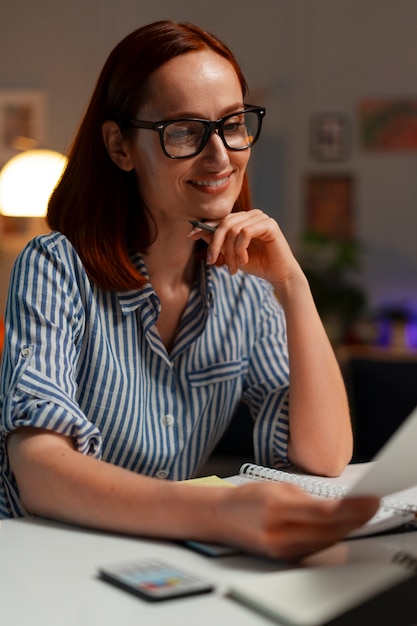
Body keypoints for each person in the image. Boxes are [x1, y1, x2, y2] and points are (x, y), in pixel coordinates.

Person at [0, 20, 378, 560]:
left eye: (232, 124)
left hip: (154, 562)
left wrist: (293, 286)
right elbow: (39, 471)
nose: (221, 156)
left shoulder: (246, 291)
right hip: (39, 563)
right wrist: (218, 514)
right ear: (120, 147)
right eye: (183, 131)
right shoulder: (56, 267)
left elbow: (322, 458)